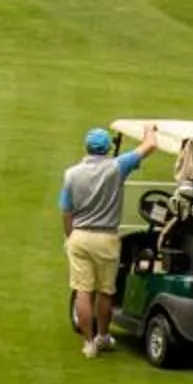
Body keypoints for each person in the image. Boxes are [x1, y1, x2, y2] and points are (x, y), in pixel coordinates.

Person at [61, 124, 151, 356]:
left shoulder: (71, 174)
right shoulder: (116, 167)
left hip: (79, 236)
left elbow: (67, 211)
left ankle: (88, 343)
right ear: (107, 148)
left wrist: (69, 236)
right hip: (106, 238)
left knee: (82, 291)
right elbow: (149, 146)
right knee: (105, 291)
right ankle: (102, 336)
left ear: (87, 147)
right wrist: (150, 130)